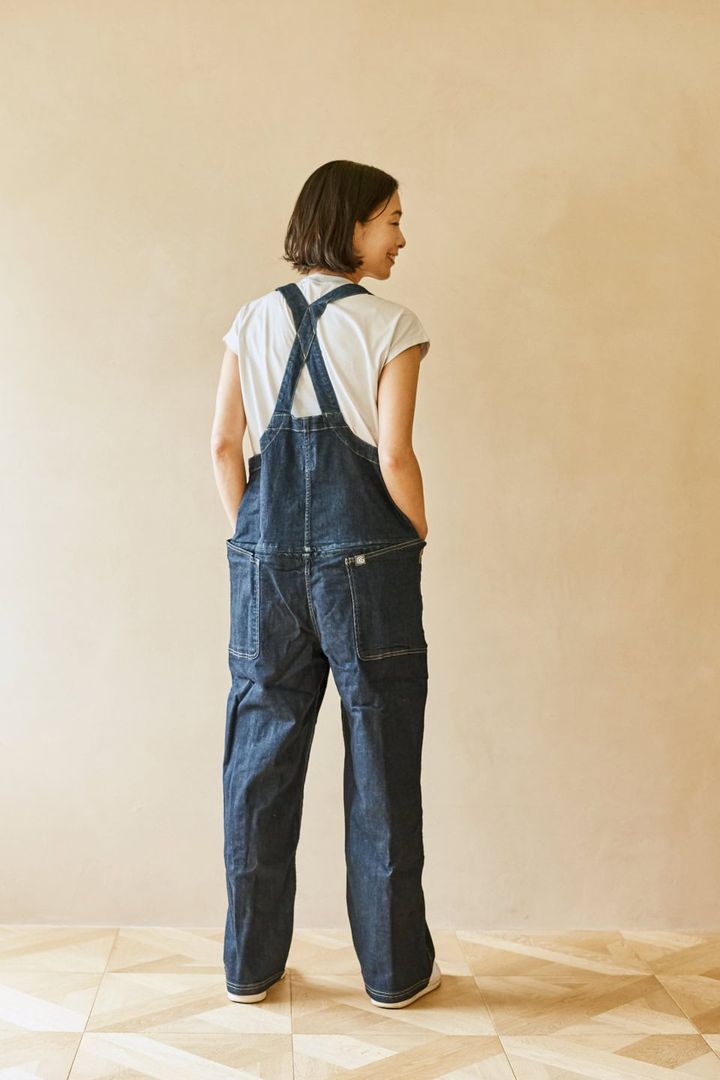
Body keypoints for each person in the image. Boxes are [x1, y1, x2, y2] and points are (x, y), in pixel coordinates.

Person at [210, 160, 441, 1009]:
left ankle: (250, 967)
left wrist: (254, 539)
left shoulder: (251, 319)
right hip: (368, 564)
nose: (401, 237)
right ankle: (394, 974)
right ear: (351, 226)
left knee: (259, 761)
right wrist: (415, 535)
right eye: (392, 219)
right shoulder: (392, 324)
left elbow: (224, 447)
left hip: (264, 564)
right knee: (382, 755)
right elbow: (395, 455)